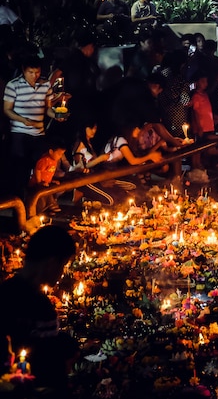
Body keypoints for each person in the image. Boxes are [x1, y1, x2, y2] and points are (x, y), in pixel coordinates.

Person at [0, 224, 79, 395]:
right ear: (51, 263)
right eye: (63, 265)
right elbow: (50, 366)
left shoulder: (5, 292)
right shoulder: (40, 307)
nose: (62, 273)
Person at [3, 54, 60, 201]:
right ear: (23, 70)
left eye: (38, 72)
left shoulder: (45, 84)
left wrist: (56, 115)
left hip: (38, 133)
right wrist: (23, 120)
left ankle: (36, 202)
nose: (35, 75)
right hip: (19, 133)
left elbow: (47, 109)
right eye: (31, 72)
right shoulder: (13, 85)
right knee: (20, 170)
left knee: (38, 169)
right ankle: (19, 205)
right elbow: (7, 109)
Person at [68, 117, 135, 205]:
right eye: (91, 128)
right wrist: (100, 159)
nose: (93, 131)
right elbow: (80, 167)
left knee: (126, 189)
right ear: (84, 128)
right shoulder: (79, 143)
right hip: (84, 179)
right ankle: (87, 203)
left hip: (94, 177)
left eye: (95, 128)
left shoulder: (88, 144)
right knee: (110, 200)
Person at [187, 72, 218, 183]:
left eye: (206, 81)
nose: (205, 84)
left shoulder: (205, 95)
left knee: (205, 146)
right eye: (203, 81)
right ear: (197, 83)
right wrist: (199, 127)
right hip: (201, 128)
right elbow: (196, 112)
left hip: (208, 126)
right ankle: (196, 167)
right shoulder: (196, 96)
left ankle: (201, 167)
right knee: (198, 148)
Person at [27, 137, 67, 215]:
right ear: (51, 151)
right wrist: (39, 182)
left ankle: (50, 206)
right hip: (37, 184)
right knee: (42, 196)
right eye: (59, 154)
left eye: (62, 154)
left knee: (49, 192)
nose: (60, 156)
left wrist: (51, 180)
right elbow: (38, 170)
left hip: (46, 183)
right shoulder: (44, 160)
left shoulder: (54, 161)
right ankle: (42, 210)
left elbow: (49, 172)